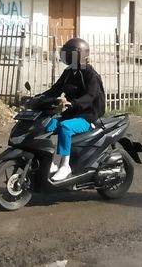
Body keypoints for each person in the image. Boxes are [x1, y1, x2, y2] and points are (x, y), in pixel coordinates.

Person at [41, 37, 105, 181]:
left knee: (65, 127)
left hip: (87, 116)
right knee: (46, 125)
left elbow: (91, 96)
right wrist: (37, 98)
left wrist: (74, 103)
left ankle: (65, 165)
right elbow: (55, 90)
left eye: (68, 53)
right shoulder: (69, 72)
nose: (65, 56)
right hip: (72, 114)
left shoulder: (90, 74)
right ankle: (49, 162)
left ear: (79, 54)